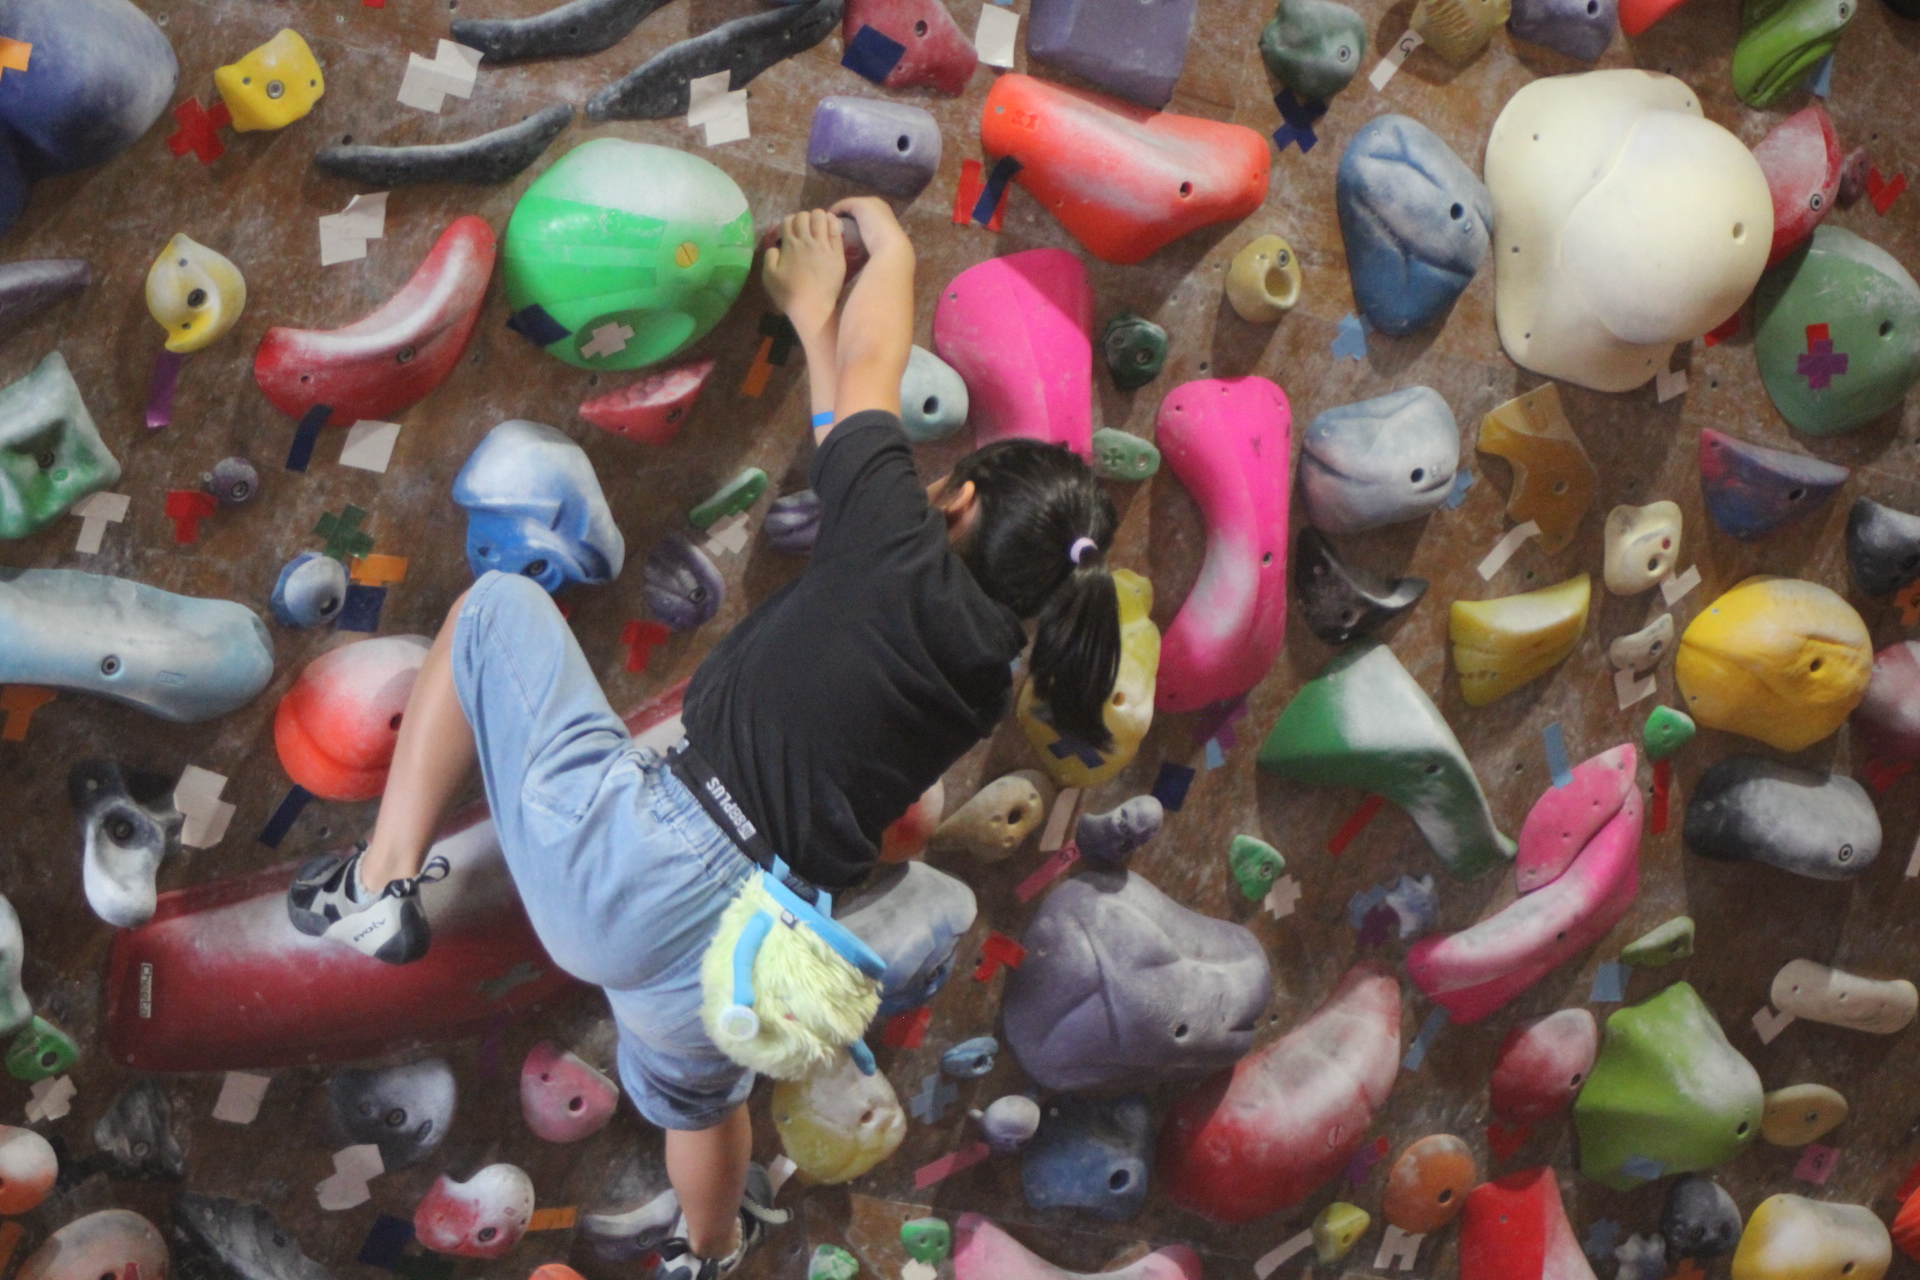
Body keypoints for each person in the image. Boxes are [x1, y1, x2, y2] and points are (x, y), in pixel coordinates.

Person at [283, 198, 1123, 1279]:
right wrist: (812, 322)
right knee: (706, 1103)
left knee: (494, 611)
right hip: (742, 951)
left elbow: (869, 370)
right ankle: (710, 1247)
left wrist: (890, 253)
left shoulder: (893, 536)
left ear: (954, 498)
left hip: (634, 856)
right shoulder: (989, 677)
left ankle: (379, 882)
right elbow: (849, 409)